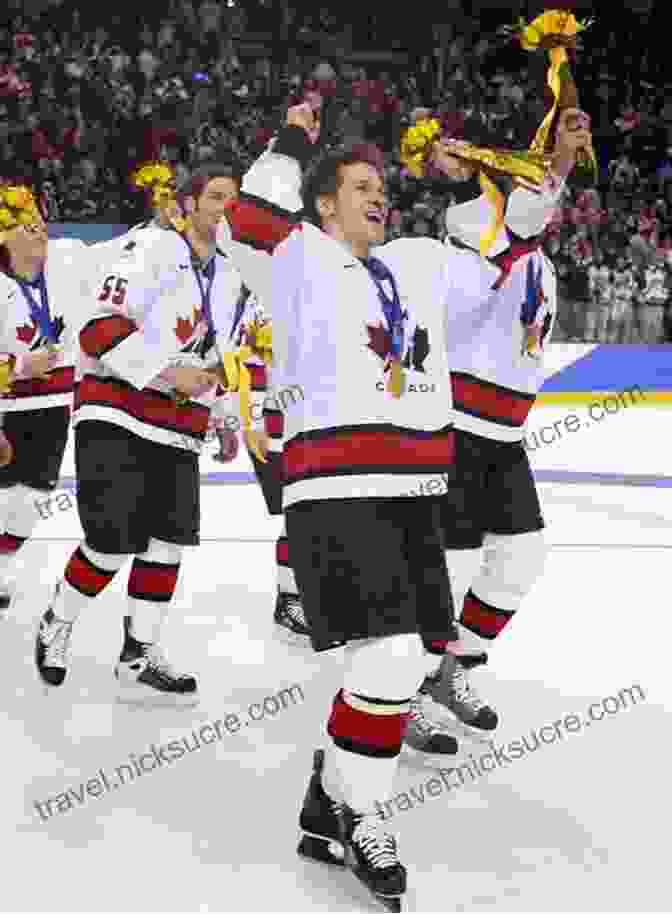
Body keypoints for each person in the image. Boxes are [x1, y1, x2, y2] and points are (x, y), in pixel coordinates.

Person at [219, 102, 490, 911]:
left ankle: (327, 798)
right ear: (324, 202)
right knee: (390, 662)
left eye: (383, 187)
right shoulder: (297, 258)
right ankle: (362, 810)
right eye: (360, 186)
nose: (378, 197)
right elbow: (249, 218)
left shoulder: (407, 265)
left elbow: (492, 257)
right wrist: (296, 139)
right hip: (336, 487)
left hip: (410, 491)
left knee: (397, 665)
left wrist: (480, 177)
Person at [34, 163, 257, 706]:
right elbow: (99, 329)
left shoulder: (232, 275)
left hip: (179, 424)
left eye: (235, 199)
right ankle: (56, 622)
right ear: (188, 205)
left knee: (167, 542)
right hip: (116, 410)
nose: (228, 208)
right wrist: (165, 373)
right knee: (111, 539)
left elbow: (225, 357)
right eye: (217, 197)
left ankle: (138, 654)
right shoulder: (150, 251)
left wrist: (226, 415)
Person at [407, 106, 593, 753]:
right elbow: (527, 209)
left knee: (520, 559)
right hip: (457, 431)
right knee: (448, 569)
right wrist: (559, 159)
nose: (538, 197)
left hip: (503, 439)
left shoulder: (531, 261)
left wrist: (557, 160)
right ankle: (405, 692)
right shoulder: (478, 256)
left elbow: (533, 211)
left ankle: (456, 669)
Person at [0, 185, 94, 615]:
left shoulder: (70, 261)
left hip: (53, 407)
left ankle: (1, 561)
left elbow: (126, 249)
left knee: (33, 500)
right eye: (24, 224)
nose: (37, 228)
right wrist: (19, 366)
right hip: (5, 406)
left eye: (39, 219)